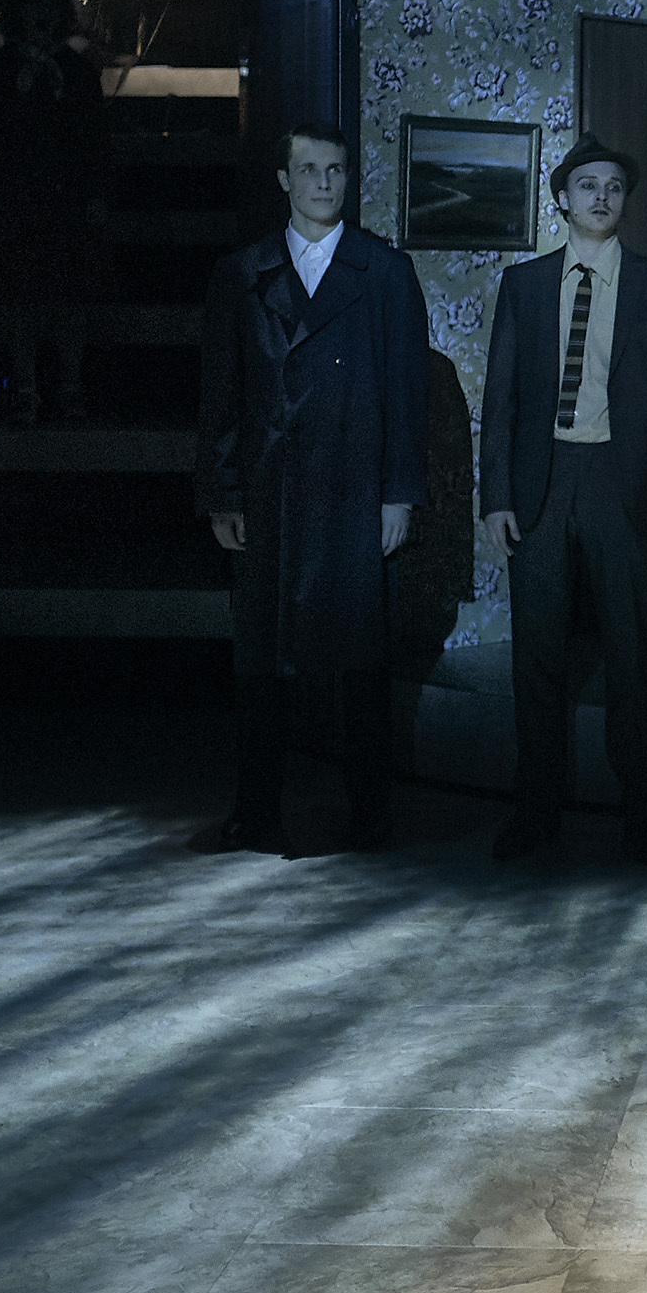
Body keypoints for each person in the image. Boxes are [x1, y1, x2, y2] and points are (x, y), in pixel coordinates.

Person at [194, 121, 431, 855]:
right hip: (270, 492)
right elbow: (220, 394)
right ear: (283, 180)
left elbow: (408, 393)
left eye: (336, 170)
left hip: (354, 492)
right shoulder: (242, 273)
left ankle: (371, 814)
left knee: (361, 664)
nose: (324, 183)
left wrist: (399, 494)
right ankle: (256, 811)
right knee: (261, 664)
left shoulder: (384, 271)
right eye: (309, 170)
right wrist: (223, 494)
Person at [480, 135, 647, 865]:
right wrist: (495, 497)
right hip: (541, 486)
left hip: (623, 484)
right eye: (587, 186)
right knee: (537, 658)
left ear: (624, 200)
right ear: (562, 199)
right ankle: (534, 812)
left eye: (613, 186)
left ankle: (642, 817)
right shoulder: (523, 286)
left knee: (633, 657)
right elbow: (501, 401)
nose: (601, 197)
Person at [0, 0, 113, 422]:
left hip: (60, 196)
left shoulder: (69, 70)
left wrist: (95, 194)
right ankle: (32, 386)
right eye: (36, 8)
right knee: (25, 296)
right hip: (22, 196)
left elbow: (95, 139)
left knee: (64, 297)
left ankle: (60, 385)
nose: (42, 17)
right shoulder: (7, 68)